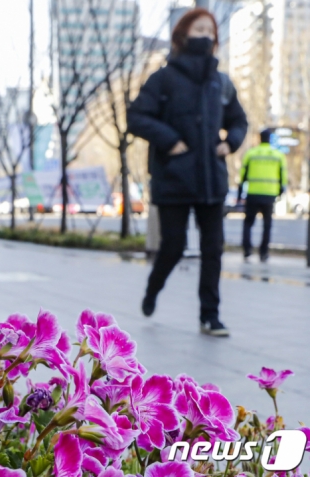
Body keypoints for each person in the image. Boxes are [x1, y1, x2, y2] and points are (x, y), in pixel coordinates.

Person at [127, 8, 248, 337]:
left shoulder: (220, 83)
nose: (206, 35)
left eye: (210, 31)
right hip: (174, 177)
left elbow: (239, 120)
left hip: (211, 178)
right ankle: (153, 289)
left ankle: (210, 315)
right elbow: (137, 117)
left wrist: (231, 142)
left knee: (213, 249)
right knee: (174, 245)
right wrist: (170, 141)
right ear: (182, 35)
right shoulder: (163, 78)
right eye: (199, 29)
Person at [238, 128, 288, 263]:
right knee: (267, 225)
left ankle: (247, 250)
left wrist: (239, 193)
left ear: (259, 138)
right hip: (269, 194)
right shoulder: (278, 155)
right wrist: (280, 191)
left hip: (253, 193)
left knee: (248, 223)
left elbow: (243, 175)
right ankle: (263, 253)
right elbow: (283, 176)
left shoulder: (251, 153)